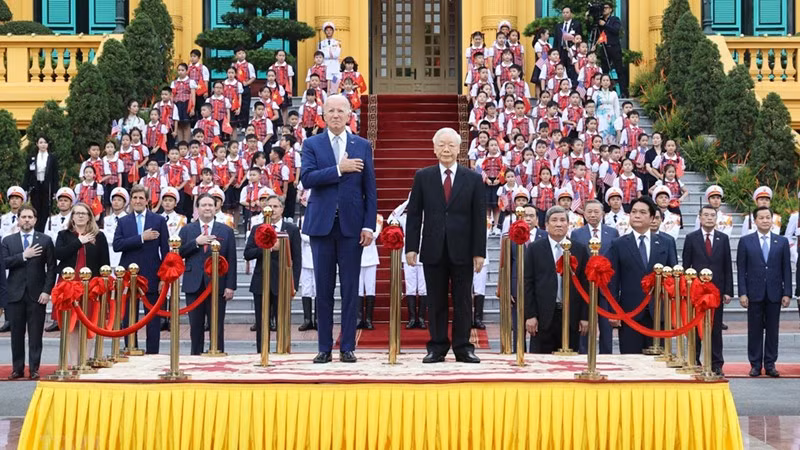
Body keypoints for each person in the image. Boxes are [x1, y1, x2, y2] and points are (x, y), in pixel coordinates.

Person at [300, 95, 377, 364]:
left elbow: (370, 188)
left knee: (350, 289)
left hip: (352, 227)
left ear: (349, 114)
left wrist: (368, 225)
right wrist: (338, 169)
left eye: (340, 110)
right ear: (323, 115)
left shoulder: (362, 145)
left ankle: (347, 346)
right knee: (323, 290)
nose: (335, 115)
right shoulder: (312, 144)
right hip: (321, 226)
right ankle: (324, 347)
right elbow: (307, 178)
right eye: (330, 110)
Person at [406, 127, 486, 364]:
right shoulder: (423, 176)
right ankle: (437, 347)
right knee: (436, 301)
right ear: (434, 148)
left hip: (463, 250)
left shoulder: (473, 178)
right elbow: (414, 215)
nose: (446, 149)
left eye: (451, 145)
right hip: (433, 248)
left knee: (463, 301)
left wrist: (479, 252)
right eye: (441, 145)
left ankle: (463, 347)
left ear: (459, 148)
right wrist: (411, 247)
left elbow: (479, 218)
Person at [607, 196, 677, 354]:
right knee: (631, 360)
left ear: (652, 218)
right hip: (629, 313)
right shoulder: (618, 244)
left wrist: (673, 311)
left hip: (659, 312)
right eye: (634, 212)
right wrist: (613, 311)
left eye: (642, 212)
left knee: (659, 361)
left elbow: (673, 279)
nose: (637, 215)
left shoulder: (666, 242)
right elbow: (613, 281)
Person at [524, 206, 589, 354]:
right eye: (554, 220)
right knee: (541, 361)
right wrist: (530, 315)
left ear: (568, 224)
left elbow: (586, 285)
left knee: (570, 360)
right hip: (543, 316)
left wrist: (585, 316)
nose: (558, 224)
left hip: (571, 316)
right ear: (546, 224)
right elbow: (528, 284)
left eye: (562, 220)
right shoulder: (534, 249)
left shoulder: (579, 249)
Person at [113, 185, 169, 354]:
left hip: (152, 274)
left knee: (152, 318)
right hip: (128, 276)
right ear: (131, 200)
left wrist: (163, 278)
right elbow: (117, 245)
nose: (137, 201)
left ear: (147, 201)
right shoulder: (123, 221)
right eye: (135, 198)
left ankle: (153, 353)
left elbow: (165, 251)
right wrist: (141, 238)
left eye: (141, 198)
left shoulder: (158, 220)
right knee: (129, 317)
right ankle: (131, 349)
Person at [178, 194, 237, 355]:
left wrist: (230, 286)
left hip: (218, 284)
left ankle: (217, 355)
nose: (207, 208)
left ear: (216, 207)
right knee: (195, 326)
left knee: (216, 325)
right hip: (194, 284)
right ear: (197, 208)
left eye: (210, 205)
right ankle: (196, 357)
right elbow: (179, 253)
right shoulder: (187, 229)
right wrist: (196, 243)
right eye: (203, 205)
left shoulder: (225, 230)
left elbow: (231, 258)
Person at [2, 205, 55, 380]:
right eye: (23, 217)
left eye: (30, 217)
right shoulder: (8, 241)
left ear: (35, 220)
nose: (26, 220)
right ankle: (17, 369)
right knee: (16, 335)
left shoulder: (45, 240)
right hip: (15, 294)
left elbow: (51, 268)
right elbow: (4, 263)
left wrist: (47, 291)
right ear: (18, 220)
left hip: (37, 295)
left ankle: (34, 369)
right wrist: (24, 255)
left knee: (35, 334)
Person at [737, 206, 792, 378]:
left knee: (773, 331)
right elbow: (741, 269)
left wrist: (787, 293)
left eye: (768, 217)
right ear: (755, 221)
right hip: (754, 293)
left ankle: (770, 364)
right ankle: (755, 364)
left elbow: (786, 269)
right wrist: (742, 293)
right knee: (754, 330)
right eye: (761, 218)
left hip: (775, 293)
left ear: (772, 220)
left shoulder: (781, 242)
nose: (765, 220)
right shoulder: (745, 241)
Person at [55, 202, 110, 364]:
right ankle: (74, 362)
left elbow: (104, 263)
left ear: (89, 217)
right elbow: (59, 254)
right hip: (69, 286)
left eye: (83, 213)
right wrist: (79, 241)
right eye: (76, 213)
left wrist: (102, 285)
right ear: (72, 217)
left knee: (89, 322)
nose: (80, 216)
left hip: (91, 286)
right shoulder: (64, 235)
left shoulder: (99, 236)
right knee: (72, 324)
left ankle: (85, 360)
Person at [243, 195, 300, 348]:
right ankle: (262, 353)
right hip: (261, 282)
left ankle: (283, 351)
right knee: (262, 323)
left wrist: (294, 284)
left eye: (276, 206)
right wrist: (266, 248)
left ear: (282, 209)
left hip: (282, 282)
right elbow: (247, 253)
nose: (273, 210)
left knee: (282, 322)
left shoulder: (292, 229)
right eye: (269, 207)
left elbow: (297, 260)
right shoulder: (257, 228)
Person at [683, 205, 733, 376]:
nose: (709, 218)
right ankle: (694, 360)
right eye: (706, 215)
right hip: (696, 292)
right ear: (700, 217)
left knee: (715, 328)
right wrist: (687, 289)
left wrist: (728, 291)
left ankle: (716, 363)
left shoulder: (723, 239)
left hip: (716, 292)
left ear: (716, 218)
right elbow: (686, 266)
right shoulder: (691, 238)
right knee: (695, 327)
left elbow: (727, 266)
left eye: (712, 215)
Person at [571, 199, 618, 354]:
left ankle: (607, 355)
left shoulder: (612, 232)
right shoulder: (577, 234)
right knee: (584, 324)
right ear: (584, 214)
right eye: (589, 212)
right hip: (585, 285)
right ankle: (583, 354)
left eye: (596, 212)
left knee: (606, 326)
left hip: (606, 286)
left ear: (603, 213)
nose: (593, 215)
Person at [23, 137, 59, 233]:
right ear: (37, 144)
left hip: (47, 186)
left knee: (45, 209)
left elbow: (55, 174)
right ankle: (35, 230)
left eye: (45, 142)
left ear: (48, 144)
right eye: (41, 142)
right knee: (35, 208)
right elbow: (27, 173)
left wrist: (55, 190)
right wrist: (25, 187)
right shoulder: (32, 157)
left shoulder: (52, 157)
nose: (43, 145)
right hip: (36, 186)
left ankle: (44, 231)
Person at [357, 214, 383, 330]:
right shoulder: (356, 214)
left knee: (370, 288)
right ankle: (358, 319)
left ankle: (368, 319)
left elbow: (374, 235)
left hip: (371, 257)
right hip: (357, 256)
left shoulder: (377, 218)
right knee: (358, 289)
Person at [596, 2, 626, 97]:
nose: (604, 9)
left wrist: (605, 24)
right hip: (604, 47)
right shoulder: (599, 21)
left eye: (606, 7)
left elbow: (616, 30)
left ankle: (623, 92)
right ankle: (605, 91)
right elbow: (594, 30)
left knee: (619, 70)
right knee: (604, 70)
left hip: (614, 47)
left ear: (611, 9)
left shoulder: (615, 19)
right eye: (603, 8)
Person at [553, 7, 582, 82]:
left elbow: (579, 38)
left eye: (567, 12)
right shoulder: (558, 26)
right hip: (561, 51)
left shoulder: (576, 24)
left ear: (571, 13)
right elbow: (556, 40)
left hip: (571, 51)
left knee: (571, 69)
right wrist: (555, 51)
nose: (565, 14)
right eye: (563, 13)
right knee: (561, 68)